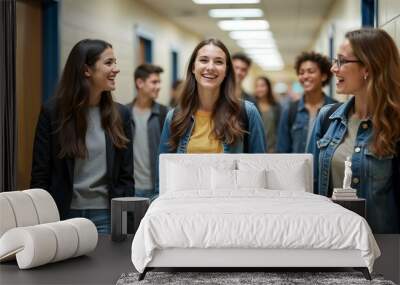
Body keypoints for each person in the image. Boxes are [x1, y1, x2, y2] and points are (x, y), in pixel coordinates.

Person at [31, 39, 134, 234]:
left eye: (115, 62)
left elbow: (126, 177)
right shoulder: (52, 113)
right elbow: (40, 175)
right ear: (87, 70)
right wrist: (40, 221)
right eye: (108, 63)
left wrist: (127, 221)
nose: (116, 69)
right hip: (63, 215)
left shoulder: (121, 115)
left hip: (107, 217)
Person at [308, 28, 400, 233]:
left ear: (367, 67)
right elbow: (311, 187)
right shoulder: (327, 119)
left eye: (341, 61)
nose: (333, 68)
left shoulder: (395, 126)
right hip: (331, 241)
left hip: (384, 249)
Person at [157, 39, 265, 193]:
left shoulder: (247, 113)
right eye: (203, 60)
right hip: (186, 210)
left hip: (232, 209)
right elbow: (162, 179)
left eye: (219, 62)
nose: (210, 67)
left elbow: (259, 174)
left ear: (227, 70)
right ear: (193, 67)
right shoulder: (174, 117)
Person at [277, 51, 336, 153]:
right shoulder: (290, 110)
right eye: (301, 72)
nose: (305, 76)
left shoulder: (335, 110)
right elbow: (282, 150)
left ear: (323, 76)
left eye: (311, 71)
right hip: (296, 168)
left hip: (324, 168)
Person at [126, 64, 168, 199]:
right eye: (154, 82)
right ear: (140, 83)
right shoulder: (124, 113)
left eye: (159, 82)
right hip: (131, 188)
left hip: (157, 188)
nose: (159, 86)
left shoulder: (164, 114)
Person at [254, 76, 281, 153]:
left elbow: (279, 129)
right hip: (255, 150)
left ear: (268, 87)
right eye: (257, 86)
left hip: (273, 149)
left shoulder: (276, 107)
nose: (259, 89)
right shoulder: (251, 106)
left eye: (262, 86)